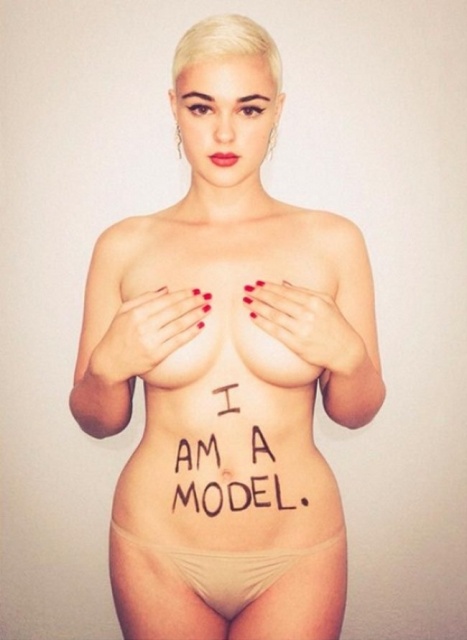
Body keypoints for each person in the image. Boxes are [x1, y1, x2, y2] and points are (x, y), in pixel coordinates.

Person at [69, 14, 385, 640]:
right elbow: (96, 419)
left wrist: (348, 357)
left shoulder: (333, 241)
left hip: (297, 550)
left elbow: (356, 411)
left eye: (249, 109)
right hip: (157, 546)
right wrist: (107, 367)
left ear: (277, 111)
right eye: (200, 107)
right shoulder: (124, 246)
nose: (223, 132)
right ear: (174, 107)